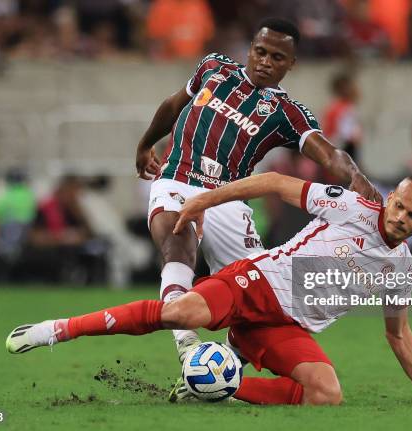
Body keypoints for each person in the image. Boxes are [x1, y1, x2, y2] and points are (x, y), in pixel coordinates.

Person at [6, 170, 412, 406]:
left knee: (326, 394)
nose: (400, 218)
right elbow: (278, 183)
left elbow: (398, 335)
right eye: (399, 205)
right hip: (256, 284)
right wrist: (205, 198)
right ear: (391, 197)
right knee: (181, 313)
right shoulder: (352, 208)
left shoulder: (401, 268)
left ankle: (213, 384)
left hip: (286, 328)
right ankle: (57, 329)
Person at [135, 17, 381, 366]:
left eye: (277, 57)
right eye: (261, 52)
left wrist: (353, 174)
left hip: (229, 199)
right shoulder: (214, 67)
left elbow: (327, 152)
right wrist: (145, 144)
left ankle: (219, 372)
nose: (266, 61)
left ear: (291, 64)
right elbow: (174, 105)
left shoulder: (288, 114)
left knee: (261, 300)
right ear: (251, 49)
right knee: (178, 245)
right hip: (177, 179)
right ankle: (188, 348)